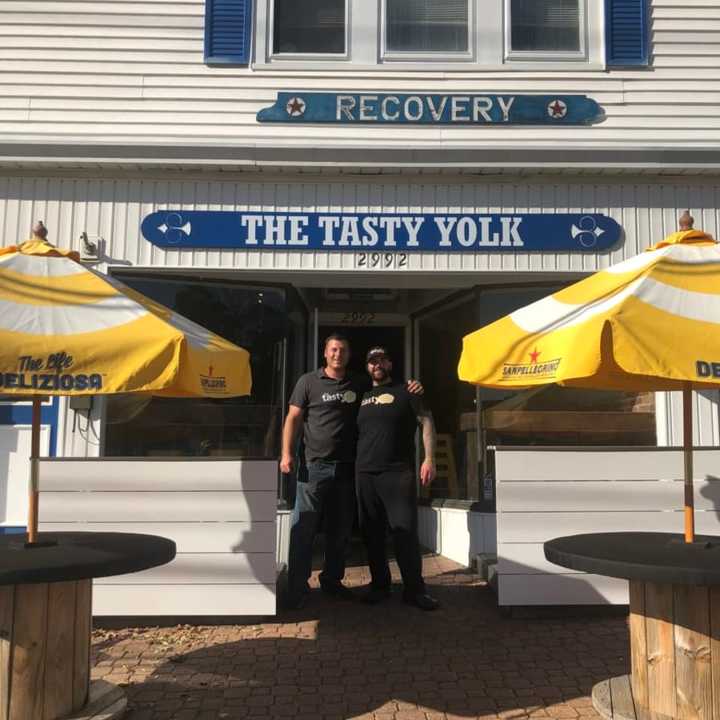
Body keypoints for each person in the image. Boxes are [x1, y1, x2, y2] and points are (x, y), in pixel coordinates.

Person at [280, 333, 421, 609]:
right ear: (325, 353)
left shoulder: (360, 382)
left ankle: (332, 581)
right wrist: (286, 453)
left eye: (343, 350)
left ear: (348, 355)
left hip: (348, 469)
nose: (337, 354)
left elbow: (385, 384)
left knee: (340, 531)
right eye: (333, 350)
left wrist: (412, 385)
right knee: (304, 529)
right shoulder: (307, 381)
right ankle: (297, 588)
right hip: (314, 467)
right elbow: (293, 417)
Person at [355, 346, 439, 611]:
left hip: (397, 473)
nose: (377, 364)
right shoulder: (360, 395)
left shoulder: (407, 391)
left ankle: (414, 590)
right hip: (365, 474)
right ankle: (380, 586)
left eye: (381, 360)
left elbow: (426, 421)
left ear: (390, 364)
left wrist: (429, 458)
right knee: (372, 534)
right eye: (372, 361)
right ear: (367, 367)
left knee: (405, 533)